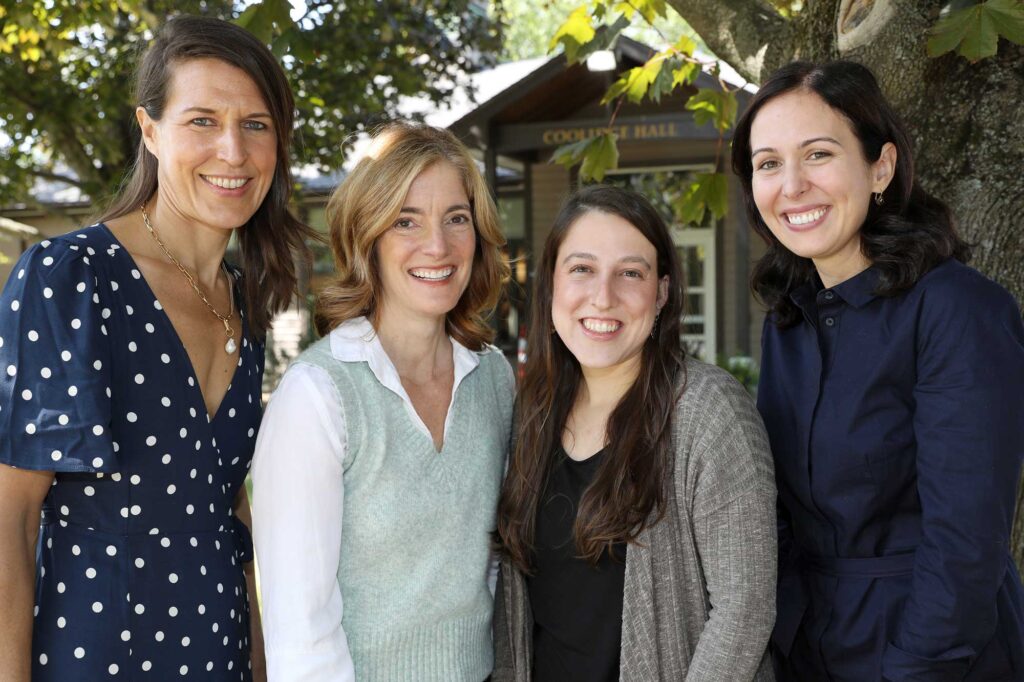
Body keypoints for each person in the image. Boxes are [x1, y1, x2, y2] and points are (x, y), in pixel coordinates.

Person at [0, 15, 314, 681]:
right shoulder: (72, 278)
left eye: (255, 124)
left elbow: (229, 510)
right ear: (150, 130)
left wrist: (258, 665)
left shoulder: (244, 302)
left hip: (217, 651)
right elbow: (10, 514)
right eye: (201, 120)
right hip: (94, 651)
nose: (233, 150)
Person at [731, 59, 1024, 680]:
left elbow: (965, 544)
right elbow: (780, 508)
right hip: (812, 646)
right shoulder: (789, 316)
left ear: (881, 167)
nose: (791, 185)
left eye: (817, 154)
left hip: (929, 652)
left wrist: (914, 668)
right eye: (768, 163)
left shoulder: (958, 311)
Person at [251, 122, 514, 681]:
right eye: (405, 220)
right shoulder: (318, 394)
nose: (437, 246)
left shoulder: (493, 378)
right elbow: (299, 627)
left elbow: (488, 572)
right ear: (366, 235)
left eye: (456, 219)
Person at [492, 184, 776, 681]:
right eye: (581, 269)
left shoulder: (708, 412)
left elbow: (744, 609)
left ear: (662, 292)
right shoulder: (530, 414)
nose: (603, 297)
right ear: (551, 286)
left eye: (630, 273)